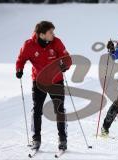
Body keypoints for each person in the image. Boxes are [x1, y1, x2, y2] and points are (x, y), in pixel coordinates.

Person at [15, 21, 72, 151]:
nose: (53, 34)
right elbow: (21, 59)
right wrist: (19, 69)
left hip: (56, 80)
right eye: (50, 32)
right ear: (41, 34)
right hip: (39, 81)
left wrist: (65, 65)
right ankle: (36, 139)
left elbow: (67, 58)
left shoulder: (56, 42)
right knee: (37, 110)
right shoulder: (29, 45)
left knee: (59, 110)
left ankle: (62, 139)